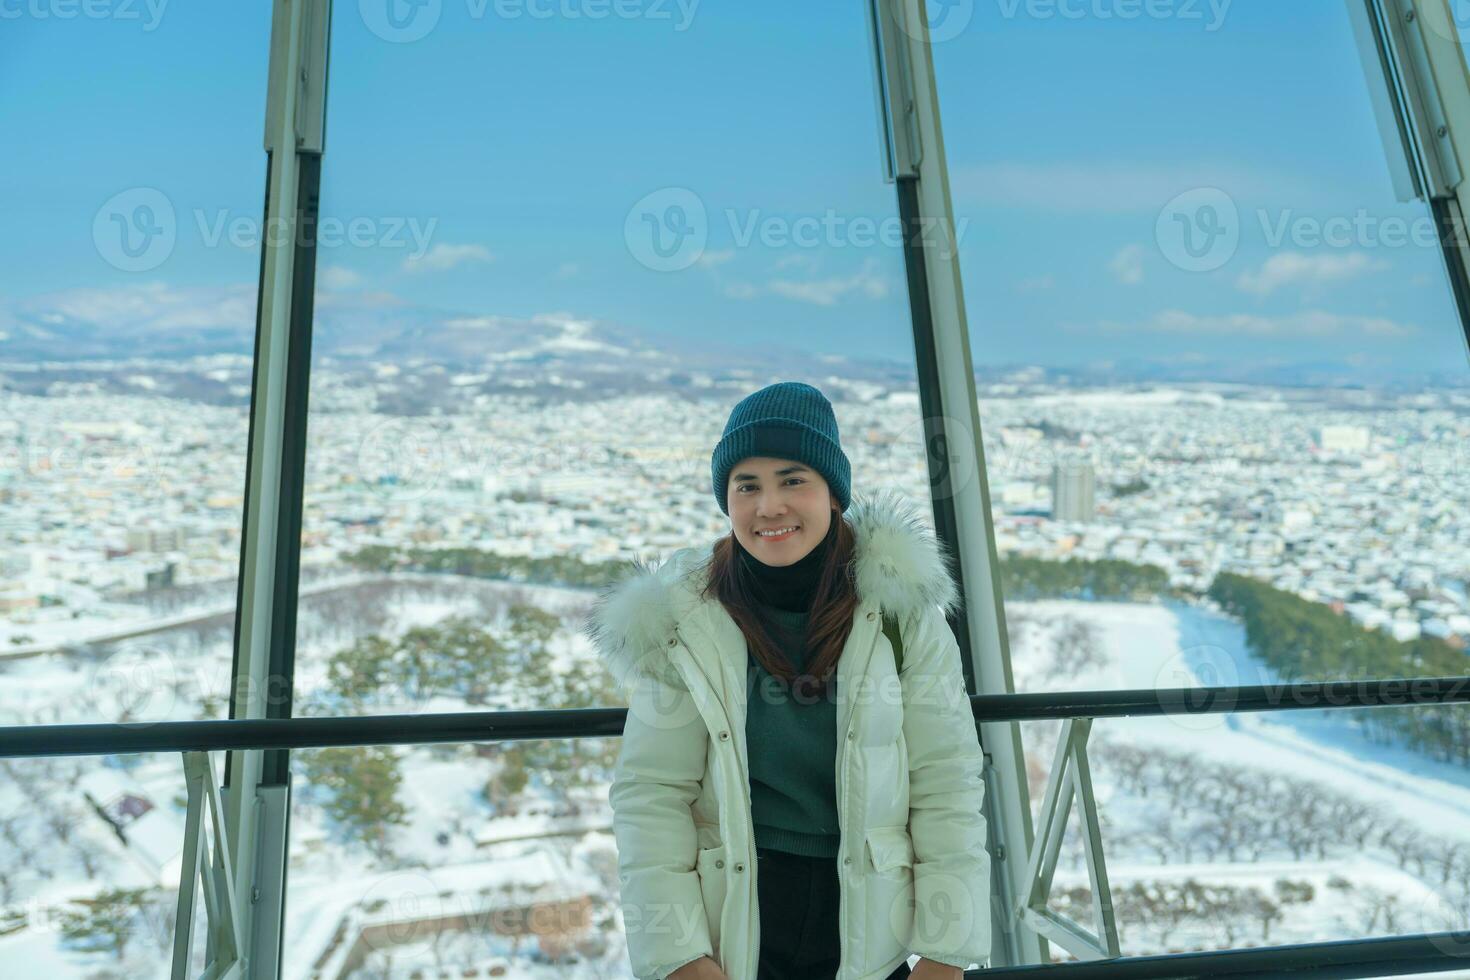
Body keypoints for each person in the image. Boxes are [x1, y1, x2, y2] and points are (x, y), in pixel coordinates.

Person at [585, 381, 991, 980]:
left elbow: (946, 784)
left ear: (833, 491)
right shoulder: (683, 618)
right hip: (736, 918)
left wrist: (945, 952)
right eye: (746, 486)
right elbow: (652, 794)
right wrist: (677, 955)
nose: (768, 506)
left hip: (870, 920)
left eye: (792, 479)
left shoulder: (899, 613)